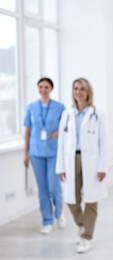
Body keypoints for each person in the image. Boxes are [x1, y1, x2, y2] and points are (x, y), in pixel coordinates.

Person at [56, 78, 107, 254]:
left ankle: (86, 237)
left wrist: (103, 167)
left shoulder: (97, 114)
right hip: (71, 160)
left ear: (88, 92)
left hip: (91, 161)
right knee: (71, 200)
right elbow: (62, 143)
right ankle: (83, 225)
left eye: (82, 89)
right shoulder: (67, 114)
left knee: (92, 201)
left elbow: (103, 143)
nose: (78, 92)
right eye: (75, 88)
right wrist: (60, 167)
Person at [23, 77, 66, 234]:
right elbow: (27, 131)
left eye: (46, 87)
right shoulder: (31, 107)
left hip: (54, 152)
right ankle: (47, 220)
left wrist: (58, 133)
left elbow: (67, 129)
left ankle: (59, 213)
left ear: (51, 89)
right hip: (36, 152)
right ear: (38, 88)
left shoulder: (60, 107)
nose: (43, 89)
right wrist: (25, 153)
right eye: (40, 86)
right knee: (42, 189)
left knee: (54, 186)